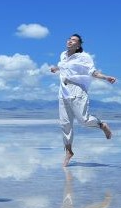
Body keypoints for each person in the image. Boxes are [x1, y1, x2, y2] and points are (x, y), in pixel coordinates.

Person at [50, 34, 117, 167]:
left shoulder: (84, 57)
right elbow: (65, 67)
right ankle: (69, 151)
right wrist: (56, 69)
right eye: (69, 38)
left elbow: (93, 72)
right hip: (63, 90)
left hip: (77, 90)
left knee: (83, 120)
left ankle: (101, 125)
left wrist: (106, 77)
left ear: (79, 45)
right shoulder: (63, 55)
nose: (70, 41)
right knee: (65, 123)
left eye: (74, 40)